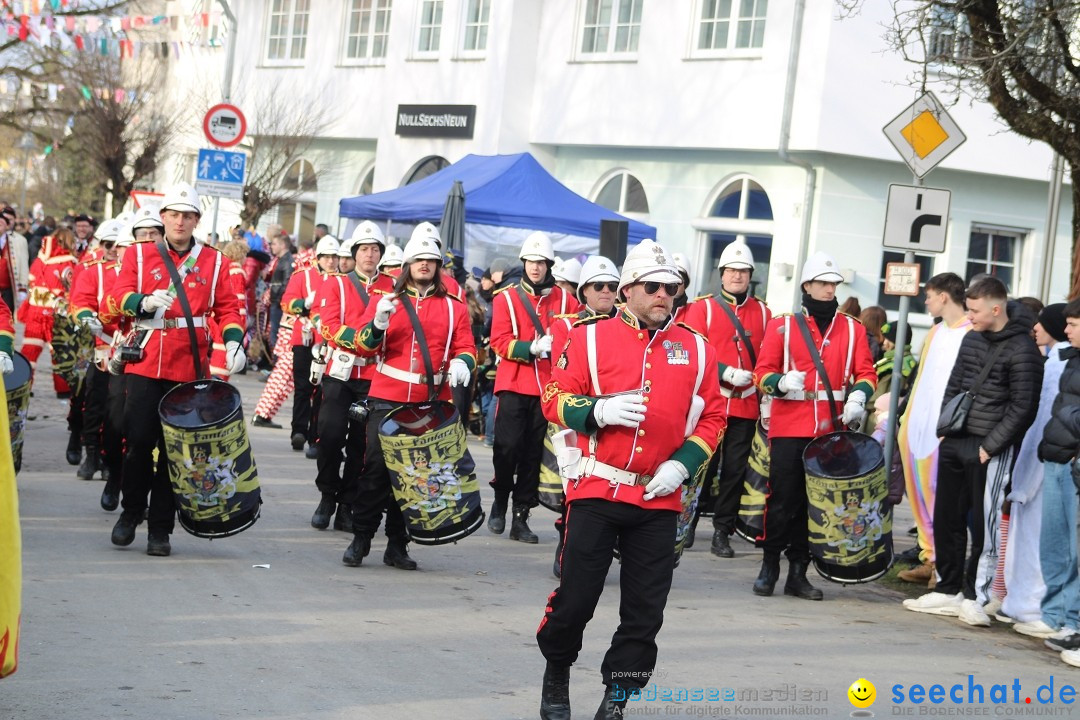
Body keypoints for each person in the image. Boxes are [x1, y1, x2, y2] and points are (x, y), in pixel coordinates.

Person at [535, 239, 726, 720]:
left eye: (672, 287)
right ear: (627, 290)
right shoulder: (588, 338)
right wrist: (594, 410)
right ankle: (557, 669)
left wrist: (682, 464)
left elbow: (714, 418)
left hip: (659, 497)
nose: (665, 294)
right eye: (654, 286)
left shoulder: (697, 349)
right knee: (577, 598)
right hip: (598, 487)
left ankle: (617, 697)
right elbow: (553, 398)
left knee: (645, 612)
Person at [102, 183, 244, 557]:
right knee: (138, 442)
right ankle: (131, 512)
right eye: (174, 215)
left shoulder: (214, 262)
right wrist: (143, 301)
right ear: (163, 217)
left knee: (174, 450)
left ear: (197, 220)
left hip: (189, 368)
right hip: (146, 361)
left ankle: (161, 529)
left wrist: (233, 341)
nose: (180, 222)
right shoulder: (138, 254)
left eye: (188, 216)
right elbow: (114, 298)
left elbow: (228, 309)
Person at [903, 276, 1042, 625]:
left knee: (984, 526)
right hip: (956, 440)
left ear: (996, 309)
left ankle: (976, 595)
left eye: (976, 310)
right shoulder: (971, 339)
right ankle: (948, 588)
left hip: (988, 449)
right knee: (948, 516)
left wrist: (991, 446)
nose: (970, 315)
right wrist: (945, 432)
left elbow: (1023, 407)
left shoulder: (1024, 350)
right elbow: (955, 385)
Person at [340, 222, 476, 570]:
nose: (425, 265)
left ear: (438, 266)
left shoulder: (455, 307)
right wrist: (377, 325)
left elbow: (466, 346)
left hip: (429, 400)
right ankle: (361, 538)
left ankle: (397, 545)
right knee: (375, 473)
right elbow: (363, 348)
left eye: (431, 260)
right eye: (419, 259)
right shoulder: (385, 301)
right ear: (408, 264)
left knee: (416, 476)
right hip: (387, 397)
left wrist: (463, 361)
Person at [753, 250, 876, 601]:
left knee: (815, 505)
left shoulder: (852, 329)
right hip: (789, 429)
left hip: (830, 433)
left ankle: (798, 573)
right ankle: (769, 566)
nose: (829, 289)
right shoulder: (782, 325)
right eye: (823, 283)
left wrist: (858, 397)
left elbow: (866, 373)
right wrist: (779, 383)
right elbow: (762, 373)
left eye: (833, 284)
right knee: (781, 501)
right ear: (807, 285)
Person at [488, 232, 581, 544]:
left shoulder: (568, 301)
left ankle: (520, 515)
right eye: (531, 262)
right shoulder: (506, 298)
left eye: (541, 262)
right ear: (524, 263)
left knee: (531, 454)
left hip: (549, 388)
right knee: (507, 447)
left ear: (549, 264)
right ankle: (501, 497)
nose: (536, 268)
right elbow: (499, 342)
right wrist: (530, 347)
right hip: (514, 382)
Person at [682, 241, 771, 559]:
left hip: (746, 404)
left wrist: (762, 383)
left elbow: (768, 358)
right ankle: (687, 522)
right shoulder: (702, 308)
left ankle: (723, 530)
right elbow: (691, 352)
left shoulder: (763, 312)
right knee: (702, 465)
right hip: (711, 403)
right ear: (721, 274)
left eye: (743, 271)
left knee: (734, 471)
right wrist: (724, 371)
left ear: (751, 275)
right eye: (732, 270)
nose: (737, 276)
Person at [313, 223, 393, 532]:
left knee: (362, 444)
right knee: (330, 434)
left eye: (374, 249)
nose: (369, 255)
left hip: (375, 374)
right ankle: (327, 495)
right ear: (354, 253)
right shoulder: (337, 283)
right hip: (341, 368)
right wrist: (363, 338)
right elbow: (328, 325)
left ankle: (347, 503)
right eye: (364, 249)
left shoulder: (393, 285)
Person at [546, 254, 620, 578]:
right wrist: (592, 409)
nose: (606, 291)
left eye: (612, 286)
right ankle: (566, 546)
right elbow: (563, 380)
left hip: (620, 417)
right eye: (598, 285)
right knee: (574, 489)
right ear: (584, 292)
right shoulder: (566, 326)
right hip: (579, 415)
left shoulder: (629, 327)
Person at [896, 272, 971, 587]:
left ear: (943, 296)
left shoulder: (971, 332)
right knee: (918, 493)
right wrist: (905, 418)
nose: (925, 301)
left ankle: (944, 564)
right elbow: (921, 379)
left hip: (945, 427)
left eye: (929, 296)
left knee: (940, 495)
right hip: (916, 424)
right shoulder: (935, 332)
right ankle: (929, 556)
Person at [71, 212, 149, 510]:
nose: (116, 250)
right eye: (111, 244)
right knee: (97, 404)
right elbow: (82, 301)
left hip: (148, 354)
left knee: (138, 421)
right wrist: (87, 317)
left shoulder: (156, 270)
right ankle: (96, 457)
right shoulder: (94, 269)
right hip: (106, 346)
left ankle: (131, 481)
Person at [1000, 304, 1069, 636]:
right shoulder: (1053, 362)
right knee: (1030, 539)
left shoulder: (1059, 367)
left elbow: (1047, 421)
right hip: (1044, 458)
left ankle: (1038, 606)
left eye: (1043, 324)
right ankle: (1022, 602)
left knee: (1045, 541)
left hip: (1053, 462)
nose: (1035, 329)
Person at [1038, 300, 1080, 665]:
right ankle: (1055, 617)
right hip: (1055, 458)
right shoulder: (1071, 358)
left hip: (1072, 464)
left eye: (1073, 323)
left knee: (1074, 550)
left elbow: (1069, 411)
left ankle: (1073, 621)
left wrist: (1064, 413)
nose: (1066, 331)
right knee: (1052, 543)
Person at [278, 235, 339, 455]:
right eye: (327, 257)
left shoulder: (342, 280)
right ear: (318, 257)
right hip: (305, 339)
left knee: (323, 391)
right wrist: (304, 303)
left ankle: (316, 437)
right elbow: (286, 303)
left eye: (334, 257)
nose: (331, 261)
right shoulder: (302, 276)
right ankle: (299, 431)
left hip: (329, 340)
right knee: (303, 388)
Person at [19, 226, 76, 398]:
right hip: (56, 314)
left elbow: (32, 285)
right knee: (59, 353)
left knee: (29, 351)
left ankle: (22, 385)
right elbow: (71, 289)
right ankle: (63, 390)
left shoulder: (39, 261)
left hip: (35, 312)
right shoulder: (68, 263)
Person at [266, 232, 293, 349]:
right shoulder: (281, 260)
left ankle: (276, 364)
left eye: (274, 244)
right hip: (276, 302)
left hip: (279, 304)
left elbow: (287, 283)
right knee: (273, 332)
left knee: (276, 333)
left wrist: (277, 300)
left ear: (283, 245)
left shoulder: (287, 261)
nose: (272, 246)